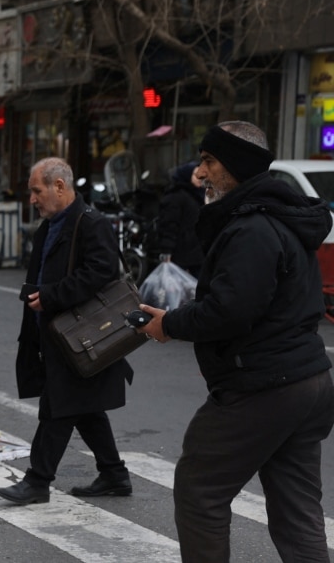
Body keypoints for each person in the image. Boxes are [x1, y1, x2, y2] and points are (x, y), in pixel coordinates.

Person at [138, 122, 334, 563]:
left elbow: (230, 310)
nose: (201, 172)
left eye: (209, 161)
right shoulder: (276, 219)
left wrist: (170, 324)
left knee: (200, 489)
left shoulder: (253, 228)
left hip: (264, 383)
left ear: (237, 166)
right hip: (307, 380)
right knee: (297, 512)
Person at [0, 157, 134, 506]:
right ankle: (114, 474)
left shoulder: (90, 223)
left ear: (59, 186)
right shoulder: (51, 224)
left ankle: (37, 481)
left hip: (81, 333)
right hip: (57, 332)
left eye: (36, 190)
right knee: (84, 408)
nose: (32, 199)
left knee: (58, 406)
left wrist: (52, 295)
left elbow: (101, 271)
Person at [157, 161, 204, 277]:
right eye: (195, 175)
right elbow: (169, 224)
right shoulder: (176, 196)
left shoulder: (198, 194)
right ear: (187, 175)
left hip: (197, 252)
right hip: (182, 253)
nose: (199, 178)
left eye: (201, 175)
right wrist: (167, 251)